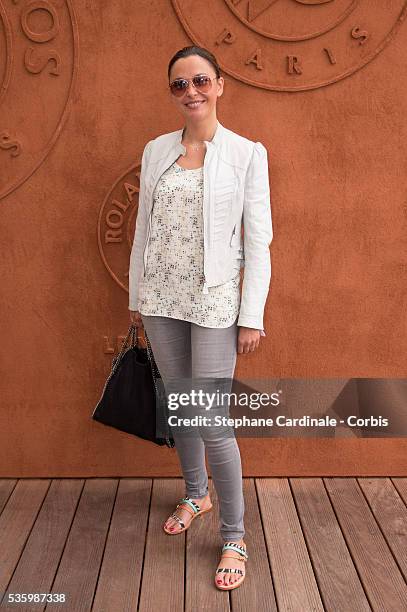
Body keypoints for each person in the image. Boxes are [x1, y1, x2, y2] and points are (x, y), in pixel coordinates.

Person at [128, 45, 273, 591]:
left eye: (200, 81)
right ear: (172, 92)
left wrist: (251, 314)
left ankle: (233, 534)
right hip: (161, 298)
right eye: (179, 84)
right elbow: (144, 225)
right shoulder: (156, 150)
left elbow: (258, 241)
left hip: (214, 304)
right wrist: (138, 295)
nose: (191, 91)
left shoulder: (245, 153)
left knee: (212, 419)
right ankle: (197, 494)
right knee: (181, 406)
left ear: (219, 85)